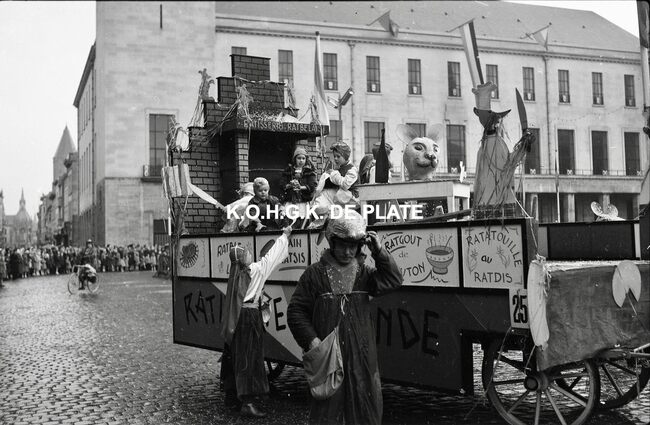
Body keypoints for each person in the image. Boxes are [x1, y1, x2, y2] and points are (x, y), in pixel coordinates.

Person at [287, 211, 403, 425]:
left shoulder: (364, 274)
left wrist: (379, 252)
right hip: (328, 357)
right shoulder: (314, 275)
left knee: (364, 407)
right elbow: (296, 311)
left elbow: (393, 280)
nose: (348, 252)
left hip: (362, 357)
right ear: (332, 243)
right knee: (328, 411)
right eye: (343, 245)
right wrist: (313, 341)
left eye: (354, 246)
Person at [220, 225, 292, 417]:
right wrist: (285, 236)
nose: (250, 253)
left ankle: (234, 396)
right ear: (244, 259)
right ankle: (248, 403)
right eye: (247, 253)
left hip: (238, 318)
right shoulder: (255, 270)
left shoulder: (235, 274)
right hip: (250, 318)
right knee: (250, 358)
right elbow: (271, 258)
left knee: (239, 356)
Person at [309, 142, 359, 228]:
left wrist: (333, 174)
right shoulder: (340, 167)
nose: (335, 159)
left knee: (326, 198)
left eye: (338, 156)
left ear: (345, 156)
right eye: (334, 156)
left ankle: (324, 220)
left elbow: (345, 184)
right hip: (341, 198)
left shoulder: (352, 169)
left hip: (350, 198)